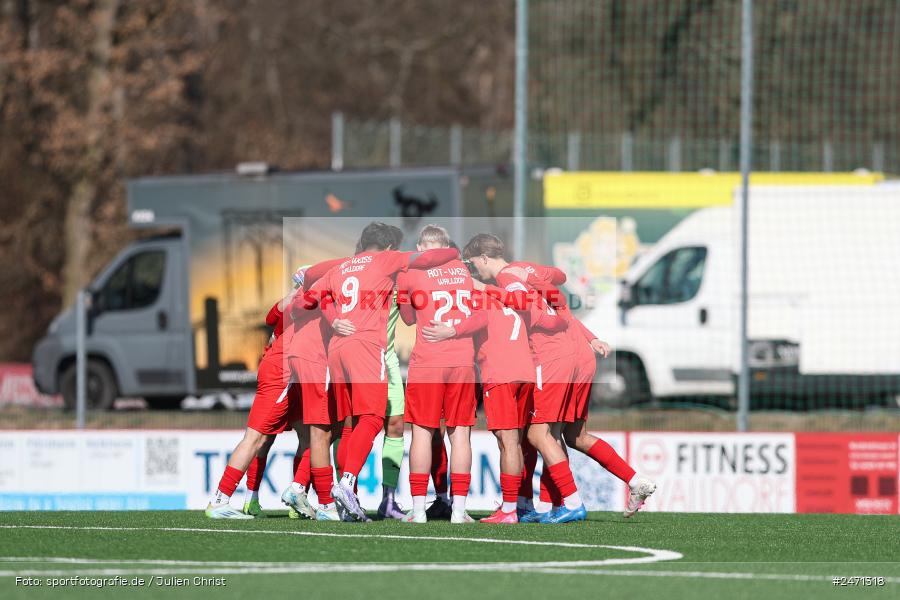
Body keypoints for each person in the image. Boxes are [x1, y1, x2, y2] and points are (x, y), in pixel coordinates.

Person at [318, 222, 457, 521]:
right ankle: (347, 486)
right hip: (371, 350)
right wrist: (455, 253)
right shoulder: (389, 261)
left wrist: (332, 319)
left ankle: (381, 499)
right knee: (366, 419)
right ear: (391, 247)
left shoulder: (345, 267)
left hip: (347, 350)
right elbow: (428, 262)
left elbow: (316, 292)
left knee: (373, 425)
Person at [504, 259, 656, 518]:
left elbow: (554, 302)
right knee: (575, 436)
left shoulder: (511, 278)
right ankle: (634, 480)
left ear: (483, 260)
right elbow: (561, 281)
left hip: (560, 360)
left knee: (543, 435)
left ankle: (565, 505)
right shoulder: (532, 273)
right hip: (581, 358)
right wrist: (591, 338)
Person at [464, 233, 587, 524]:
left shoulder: (504, 278)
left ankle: (548, 504)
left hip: (512, 371)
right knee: (523, 440)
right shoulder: (518, 274)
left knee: (523, 439)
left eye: (474, 264)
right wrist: (556, 315)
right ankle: (522, 504)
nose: (475, 271)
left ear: (483, 258)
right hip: (526, 371)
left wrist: (482, 288)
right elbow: (558, 277)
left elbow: (517, 298)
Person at [205, 269, 310, 520]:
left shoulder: (293, 302)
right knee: (255, 439)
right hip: (283, 375)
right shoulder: (305, 301)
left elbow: (271, 316)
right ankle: (220, 499)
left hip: (290, 375)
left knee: (310, 435)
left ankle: (290, 496)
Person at [396, 225, 477, 524]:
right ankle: (458, 510)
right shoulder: (462, 270)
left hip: (427, 361)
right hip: (462, 360)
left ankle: (418, 511)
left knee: (421, 433)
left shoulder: (410, 273)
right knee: (461, 435)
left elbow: (406, 319)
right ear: (445, 245)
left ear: (420, 246)